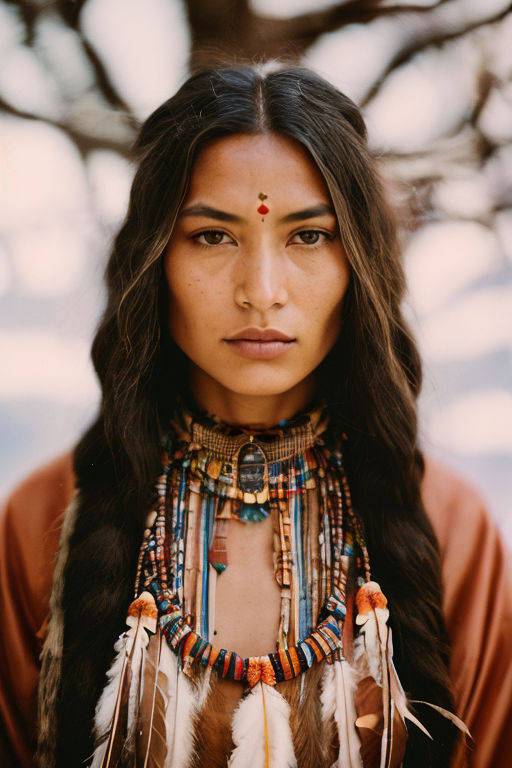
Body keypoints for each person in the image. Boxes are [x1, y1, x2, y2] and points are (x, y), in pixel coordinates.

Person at [0, 64, 511, 768]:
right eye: (213, 236)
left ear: (358, 262)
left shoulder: (451, 528)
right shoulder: (43, 521)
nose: (261, 292)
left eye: (309, 237)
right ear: (154, 258)